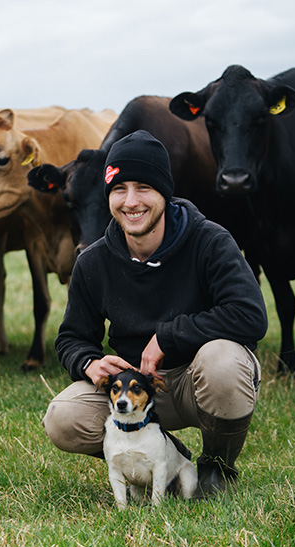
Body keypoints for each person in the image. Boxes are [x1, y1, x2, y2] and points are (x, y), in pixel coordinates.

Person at [43, 130, 268, 496]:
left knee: (224, 363)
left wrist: (169, 335)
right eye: (119, 189)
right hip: (134, 390)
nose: (131, 201)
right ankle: (157, 453)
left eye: (143, 187)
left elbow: (250, 315)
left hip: (197, 381)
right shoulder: (93, 261)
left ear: (165, 191)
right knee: (62, 418)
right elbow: (71, 337)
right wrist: (87, 362)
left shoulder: (210, 241)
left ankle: (217, 469)